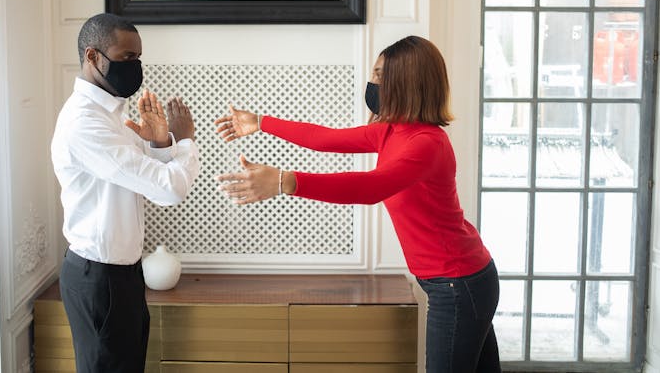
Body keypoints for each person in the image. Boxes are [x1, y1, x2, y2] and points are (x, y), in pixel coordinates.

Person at [214, 36, 501, 373]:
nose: (372, 83)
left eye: (380, 75)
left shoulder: (427, 144)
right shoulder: (392, 132)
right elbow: (324, 139)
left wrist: (285, 181)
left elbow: (369, 188)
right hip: (460, 280)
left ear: (406, 82)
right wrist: (261, 122)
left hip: (458, 284)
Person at [51, 13, 200, 373]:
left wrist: (161, 140)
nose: (134, 67)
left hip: (122, 275)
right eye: (126, 57)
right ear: (93, 56)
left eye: (138, 57)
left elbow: (151, 177)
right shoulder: (85, 124)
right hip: (99, 279)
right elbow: (169, 188)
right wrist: (185, 140)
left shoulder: (111, 115)